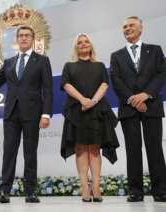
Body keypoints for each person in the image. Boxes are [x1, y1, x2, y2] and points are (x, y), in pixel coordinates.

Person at [0, 25, 53, 203]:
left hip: (33, 113)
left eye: (27, 35)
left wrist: (46, 114)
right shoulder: (9, 62)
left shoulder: (42, 61)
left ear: (33, 39)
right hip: (11, 114)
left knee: (30, 153)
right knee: (9, 152)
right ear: (17, 39)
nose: (23, 38)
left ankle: (30, 191)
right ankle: (5, 191)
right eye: (20, 35)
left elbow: (48, 90)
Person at [110, 16, 166, 202]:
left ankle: (161, 190)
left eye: (131, 25)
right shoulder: (116, 55)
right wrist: (133, 100)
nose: (127, 28)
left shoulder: (155, 50)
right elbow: (116, 81)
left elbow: (161, 74)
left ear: (141, 28)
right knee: (133, 150)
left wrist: (146, 94)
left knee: (155, 148)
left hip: (152, 105)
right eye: (124, 26)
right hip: (128, 108)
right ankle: (135, 190)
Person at [60, 33, 119, 202]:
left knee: (94, 148)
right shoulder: (69, 66)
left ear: (91, 46)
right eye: (80, 42)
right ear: (76, 47)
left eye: (86, 42)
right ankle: (85, 188)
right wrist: (82, 100)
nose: (83, 44)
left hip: (97, 109)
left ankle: (96, 188)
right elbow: (66, 84)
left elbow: (104, 84)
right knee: (80, 149)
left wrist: (92, 101)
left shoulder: (100, 65)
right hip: (76, 110)